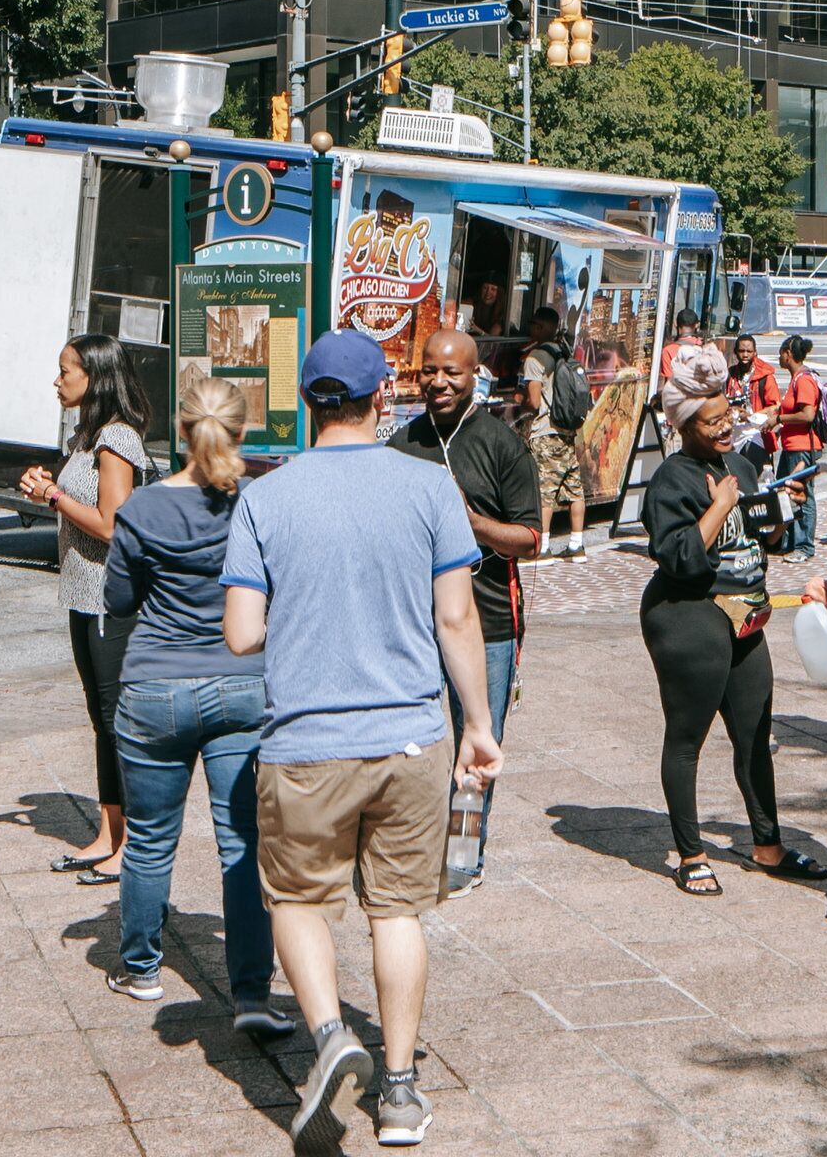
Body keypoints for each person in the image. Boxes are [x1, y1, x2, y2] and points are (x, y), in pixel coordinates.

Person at [223, 332, 502, 1152]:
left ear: (307, 402)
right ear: (383, 396)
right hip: (409, 735)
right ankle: (401, 1090)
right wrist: (478, 726)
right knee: (398, 912)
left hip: (304, 741)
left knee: (296, 901)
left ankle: (327, 1036)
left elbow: (242, 634)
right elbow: (457, 617)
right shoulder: (429, 485)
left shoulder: (264, 498)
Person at [96, 380, 287, 1015]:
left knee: (150, 838)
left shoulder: (142, 508)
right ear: (241, 432)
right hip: (241, 683)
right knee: (242, 840)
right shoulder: (255, 503)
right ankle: (252, 992)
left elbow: (119, 600)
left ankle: (141, 968)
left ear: (180, 432)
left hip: (156, 687)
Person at [639, 395, 827, 892]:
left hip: (747, 615)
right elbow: (678, 556)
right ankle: (691, 854)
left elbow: (763, 540)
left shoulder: (741, 466)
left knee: (754, 734)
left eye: (728, 415)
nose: (726, 427)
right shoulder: (670, 480)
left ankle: (768, 845)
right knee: (687, 738)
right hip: (689, 614)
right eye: (712, 422)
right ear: (684, 425)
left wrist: (782, 513)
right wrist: (720, 506)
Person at [390, 329, 542, 895]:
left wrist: (470, 522)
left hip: (490, 626)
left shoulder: (502, 445)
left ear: (474, 375)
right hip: (414, 623)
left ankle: (461, 856)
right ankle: (411, 848)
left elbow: (531, 539)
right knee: (411, 743)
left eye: (451, 373)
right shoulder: (402, 445)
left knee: (477, 744)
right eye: (429, 371)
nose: (439, 382)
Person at [15, 332, 148, 876]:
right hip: (83, 595)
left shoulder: (116, 438)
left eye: (66, 370)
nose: (57, 380)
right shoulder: (88, 435)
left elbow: (115, 525)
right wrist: (50, 488)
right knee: (101, 717)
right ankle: (108, 833)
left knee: (117, 720)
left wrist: (53, 496)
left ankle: (133, 844)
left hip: (109, 598)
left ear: (94, 377)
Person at [516, 334, 593, 562]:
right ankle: (576, 546)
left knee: (544, 492)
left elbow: (534, 401)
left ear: (539, 327)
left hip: (546, 432)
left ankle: (542, 549)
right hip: (568, 431)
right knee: (574, 489)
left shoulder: (535, 358)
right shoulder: (565, 355)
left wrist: (519, 402)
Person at [757, 334, 827, 554]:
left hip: (802, 447)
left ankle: (804, 546)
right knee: (785, 492)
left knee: (802, 495)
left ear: (787, 354)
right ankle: (788, 543)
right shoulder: (796, 378)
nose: (779, 358)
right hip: (791, 446)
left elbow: (807, 415)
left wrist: (779, 419)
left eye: (781, 354)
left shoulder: (804, 380)